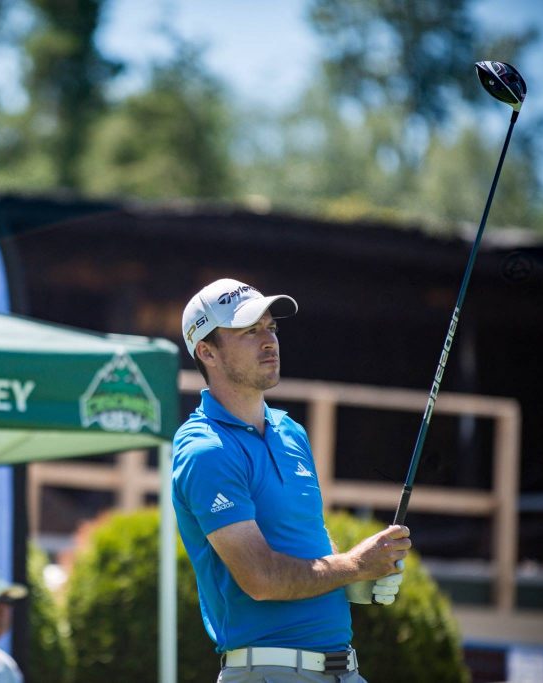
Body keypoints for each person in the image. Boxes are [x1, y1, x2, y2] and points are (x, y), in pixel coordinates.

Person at [173, 278, 411, 682]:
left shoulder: (290, 431)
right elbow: (261, 579)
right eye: (249, 331)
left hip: (343, 670)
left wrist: (360, 578)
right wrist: (352, 566)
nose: (268, 341)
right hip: (269, 671)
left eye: (271, 327)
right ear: (206, 352)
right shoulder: (206, 449)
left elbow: (307, 536)